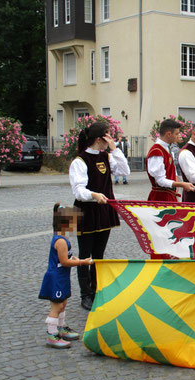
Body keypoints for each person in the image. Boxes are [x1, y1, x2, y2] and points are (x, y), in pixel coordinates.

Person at [69, 122, 130, 311]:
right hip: (86, 211)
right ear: (99, 139)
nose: (110, 140)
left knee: (99, 255)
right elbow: (78, 190)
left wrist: (115, 149)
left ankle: (97, 289)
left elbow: (124, 171)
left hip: (104, 211)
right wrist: (93, 195)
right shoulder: (80, 161)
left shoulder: (106, 156)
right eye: (108, 137)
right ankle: (85, 294)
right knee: (85, 255)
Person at [39, 203, 92, 348]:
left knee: (63, 303)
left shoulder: (61, 237)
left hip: (61, 277)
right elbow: (64, 261)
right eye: (73, 223)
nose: (75, 227)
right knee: (56, 306)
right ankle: (52, 334)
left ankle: (61, 327)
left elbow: (66, 257)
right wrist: (81, 262)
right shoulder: (61, 241)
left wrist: (74, 258)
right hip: (56, 278)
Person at [146, 119, 195, 202]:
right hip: (161, 198)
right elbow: (160, 181)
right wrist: (182, 184)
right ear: (168, 134)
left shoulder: (167, 148)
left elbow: (171, 171)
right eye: (176, 133)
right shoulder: (156, 152)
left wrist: (177, 182)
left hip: (169, 195)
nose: (178, 136)